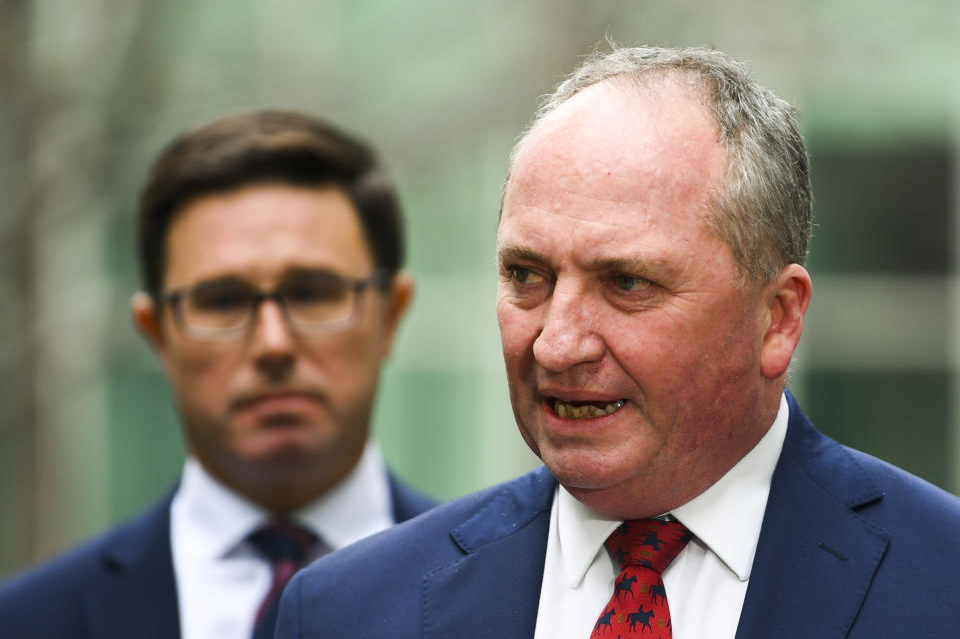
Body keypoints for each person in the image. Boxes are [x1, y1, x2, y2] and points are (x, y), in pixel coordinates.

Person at [274, 46, 960, 638]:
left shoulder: (941, 585)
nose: (556, 344)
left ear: (777, 318)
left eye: (627, 282)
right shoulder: (348, 612)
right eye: (526, 275)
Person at [0, 110, 436, 639]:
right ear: (156, 332)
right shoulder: (26, 623)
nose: (273, 343)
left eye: (313, 293)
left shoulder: (513, 597)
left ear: (390, 314)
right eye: (222, 301)